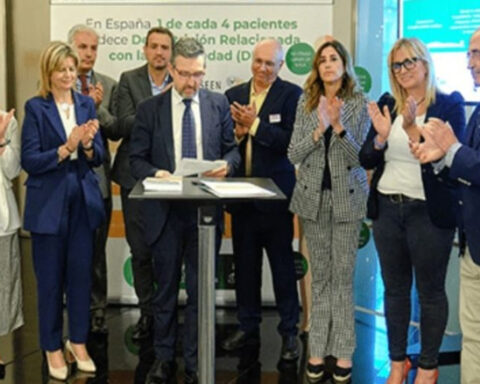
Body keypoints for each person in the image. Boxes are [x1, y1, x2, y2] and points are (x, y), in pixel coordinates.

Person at [129, 37, 240, 384]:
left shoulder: (217, 104)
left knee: (200, 292)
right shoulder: (150, 109)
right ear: (172, 71)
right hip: (165, 213)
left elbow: (233, 151)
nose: (192, 82)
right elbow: (135, 160)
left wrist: (227, 165)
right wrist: (155, 173)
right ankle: (163, 359)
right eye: (186, 74)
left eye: (199, 74)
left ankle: (195, 362)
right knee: (164, 293)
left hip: (204, 215)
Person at [359, 37, 466, 384]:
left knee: (431, 291)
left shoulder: (448, 105)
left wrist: (410, 130)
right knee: (394, 290)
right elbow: (366, 157)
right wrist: (380, 138)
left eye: (409, 62)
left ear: (425, 64)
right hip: (388, 209)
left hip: (429, 212)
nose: (403, 70)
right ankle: (396, 363)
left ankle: (429, 367)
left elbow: (451, 164)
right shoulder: (387, 103)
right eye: (396, 65)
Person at [21, 41, 105, 381]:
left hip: (82, 202)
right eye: (62, 70)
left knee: (82, 277)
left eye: (72, 69)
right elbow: (30, 160)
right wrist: (65, 147)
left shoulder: (86, 104)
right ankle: (52, 345)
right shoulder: (36, 108)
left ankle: (79, 341)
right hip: (48, 205)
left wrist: (85, 145)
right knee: (51, 282)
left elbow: (98, 155)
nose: (69, 75)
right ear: (49, 72)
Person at [288, 39, 370, 383]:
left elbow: (360, 157)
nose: (327, 64)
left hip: (347, 201)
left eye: (333, 58)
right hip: (312, 201)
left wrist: (337, 126)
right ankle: (318, 350)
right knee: (320, 278)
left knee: (342, 279)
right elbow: (293, 153)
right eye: (322, 60)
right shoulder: (305, 103)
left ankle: (345, 352)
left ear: (344, 64)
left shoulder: (359, 103)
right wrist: (320, 126)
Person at [221, 38, 301, 360]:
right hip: (241, 201)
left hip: (276, 200)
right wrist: (237, 135)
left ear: (280, 66)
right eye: (258, 61)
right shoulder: (233, 96)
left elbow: (290, 143)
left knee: (283, 269)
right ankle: (247, 325)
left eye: (270, 63)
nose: (263, 68)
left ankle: (289, 333)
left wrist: (253, 125)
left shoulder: (291, 95)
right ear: (251, 61)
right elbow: (222, 143)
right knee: (245, 268)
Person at [410, 28, 480, 384]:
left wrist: (451, 151)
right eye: (470, 54)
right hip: (472, 247)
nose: (471, 63)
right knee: (474, 339)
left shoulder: (451, 101)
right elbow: (464, 167)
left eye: (477, 53)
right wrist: (440, 159)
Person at [113, 26, 173, 341]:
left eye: (165, 47)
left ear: (171, 53)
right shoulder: (128, 79)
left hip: (170, 179)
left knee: (168, 250)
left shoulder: (181, 82)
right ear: (145, 49)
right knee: (141, 251)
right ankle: (147, 315)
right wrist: (155, 109)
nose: (159, 52)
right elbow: (122, 123)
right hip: (133, 176)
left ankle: (167, 313)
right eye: (154, 46)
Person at [68, 23, 118, 334]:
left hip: (98, 181)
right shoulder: (57, 84)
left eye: (93, 48)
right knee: (70, 250)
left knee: (96, 250)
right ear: (71, 48)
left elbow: (113, 130)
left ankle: (98, 308)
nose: (88, 53)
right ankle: (73, 307)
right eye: (83, 47)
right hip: (66, 182)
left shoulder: (109, 86)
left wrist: (96, 110)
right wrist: (85, 107)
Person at [0, 109, 23, 380]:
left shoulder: (8, 119)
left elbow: (13, 170)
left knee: (2, 287)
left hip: (2, 216)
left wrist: (2, 139)